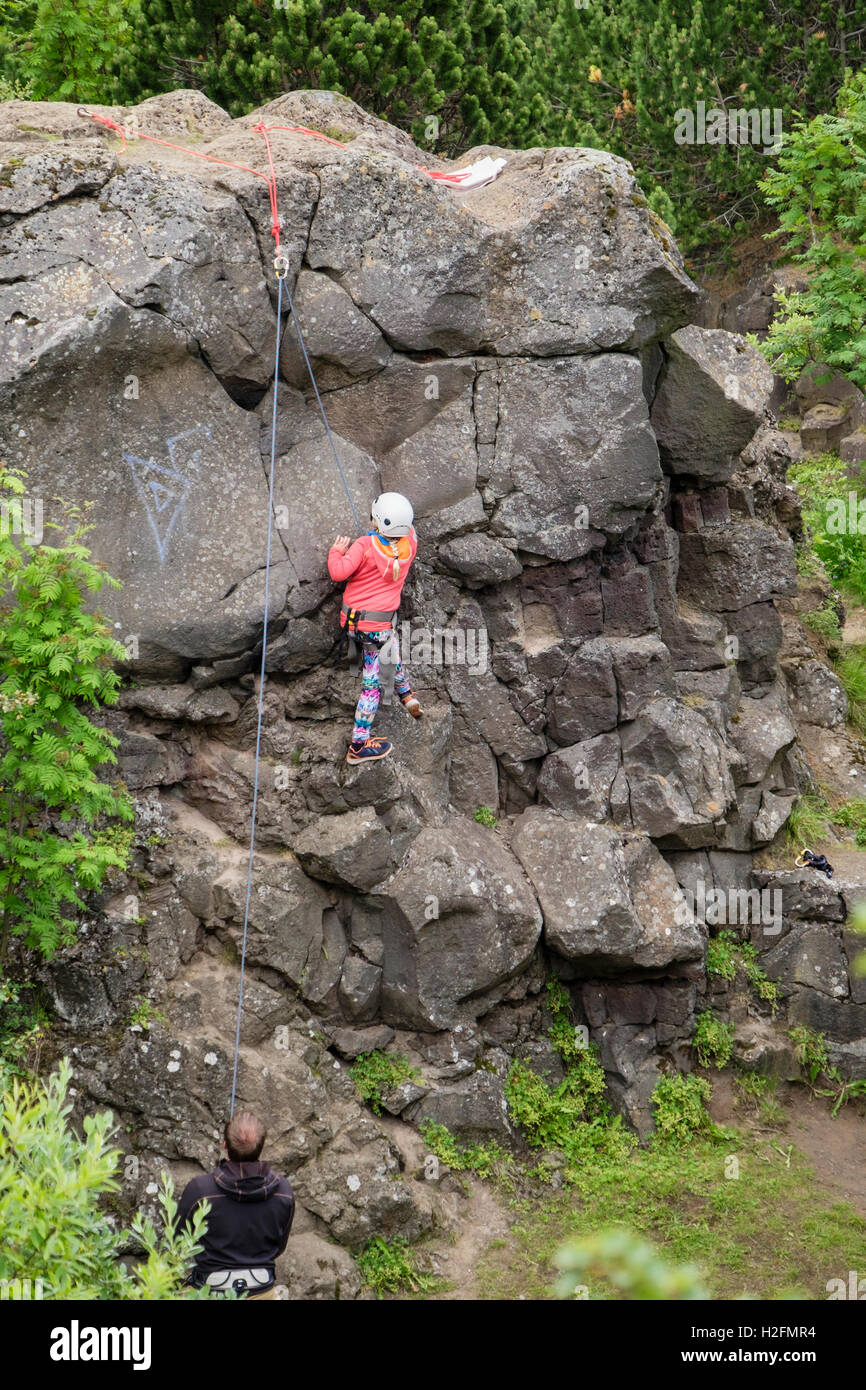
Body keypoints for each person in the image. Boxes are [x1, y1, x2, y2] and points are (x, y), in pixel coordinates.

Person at [329, 491, 422, 764]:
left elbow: (338, 572)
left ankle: (401, 695)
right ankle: (362, 740)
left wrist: (336, 551)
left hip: (355, 622)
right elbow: (409, 530)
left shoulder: (363, 545)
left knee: (384, 658)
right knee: (380, 664)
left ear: (377, 521)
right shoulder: (411, 546)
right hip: (379, 626)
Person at [177, 1110, 295, 1300]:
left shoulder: (200, 1190)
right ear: (261, 1147)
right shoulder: (283, 1191)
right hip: (261, 1290)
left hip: (208, 1290)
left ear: (225, 1145)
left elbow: (177, 1240)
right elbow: (279, 1246)